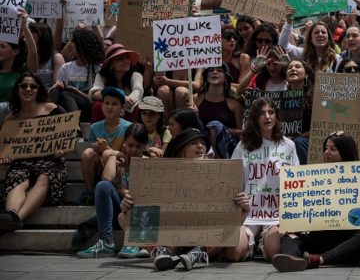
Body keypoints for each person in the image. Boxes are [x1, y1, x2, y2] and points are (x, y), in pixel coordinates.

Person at [118, 128, 250, 271]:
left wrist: (243, 208)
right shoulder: (162, 176)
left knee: (235, 223)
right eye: (194, 143)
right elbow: (145, 212)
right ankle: (161, 251)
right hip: (173, 240)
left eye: (203, 143)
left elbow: (233, 217)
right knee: (122, 217)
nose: (200, 146)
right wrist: (128, 206)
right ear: (181, 150)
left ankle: (199, 253)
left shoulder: (220, 175)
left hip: (207, 240)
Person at [271, 131, 360, 272]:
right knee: (289, 235)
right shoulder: (315, 178)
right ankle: (291, 259)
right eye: (326, 148)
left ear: (344, 151)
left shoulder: (358, 177)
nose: (327, 152)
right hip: (318, 238)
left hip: (346, 243)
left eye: (333, 149)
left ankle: (321, 259)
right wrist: (292, 221)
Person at [228, 98, 299, 263]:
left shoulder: (288, 145)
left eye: (271, 112)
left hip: (275, 214)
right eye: (262, 113)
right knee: (233, 253)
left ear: (276, 116)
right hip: (248, 214)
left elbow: (296, 182)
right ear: (254, 118)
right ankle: (249, 245)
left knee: (276, 252)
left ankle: (263, 244)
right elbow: (232, 181)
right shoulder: (243, 146)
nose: (267, 117)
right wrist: (239, 203)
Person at [0, 73, 67, 231]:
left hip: (51, 161)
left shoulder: (52, 109)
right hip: (22, 163)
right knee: (17, 178)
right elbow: (3, 148)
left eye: (33, 86)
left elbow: (72, 132)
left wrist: (62, 149)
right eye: (23, 86)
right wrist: (5, 157)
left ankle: (15, 219)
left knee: (45, 177)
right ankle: (11, 214)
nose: (28, 89)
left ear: (39, 90)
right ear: (17, 90)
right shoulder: (10, 120)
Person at [76, 124, 149, 258]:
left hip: (140, 212)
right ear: (124, 144)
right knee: (103, 186)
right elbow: (106, 178)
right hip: (119, 208)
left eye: (138, 146)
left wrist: (131, 194)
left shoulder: (149, 163)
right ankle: (106, 243)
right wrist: (115, 154)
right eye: (130, 145)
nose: (133, 149)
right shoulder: (118, 161)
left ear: (144, 146)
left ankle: (134, 242)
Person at [78, 87, 133, 205]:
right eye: (106, 103)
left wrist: (107, 149)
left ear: (122, 108)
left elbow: (130, 155)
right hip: (100, 168)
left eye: (114, 104)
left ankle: (115, 193)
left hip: (121, 168)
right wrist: (97, 148)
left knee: (108, 154)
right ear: (102, 106)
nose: (109, 107)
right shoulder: (94, 127)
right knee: (87, 153)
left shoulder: (129, 127)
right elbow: (92, 151)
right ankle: (90, 193)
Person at [49, 27, 103, 122]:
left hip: (88, 107)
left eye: (74, 41)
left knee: (67, 94)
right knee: (57, 91)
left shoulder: (97, 68)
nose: (70, 45)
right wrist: (57, 86)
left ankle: (73, 126)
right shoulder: (66, 67)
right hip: (67, 106)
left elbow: (97, 99)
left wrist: (77, 92)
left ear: (83, 45)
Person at [194, 65, 243, 159]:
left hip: (228, 146)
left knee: (215, 125)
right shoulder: (196, 99)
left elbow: (242, 132)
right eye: (211, 70)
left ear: (226, 78)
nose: (214, 72)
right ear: (206, 77)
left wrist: (220, 130)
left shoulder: (234, 103)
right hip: (203, 143)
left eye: (219, 70)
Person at [89, 43, 143, 122]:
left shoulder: (136, 75)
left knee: (135, 107)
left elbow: (138, 92)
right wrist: (119, 99)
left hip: (127, 111)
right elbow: (95, 93)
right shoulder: (102, 76)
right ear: (111, 63)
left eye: (127, 58)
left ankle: (130, 133)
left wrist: (122, 105)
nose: (125, 61)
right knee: (98, 105)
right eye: (120, 58)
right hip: (108, 111)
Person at [279, 8, 341, 73]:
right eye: (316, 32)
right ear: (310, 39)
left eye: (323, 32)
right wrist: (288, 22)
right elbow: (283, 45)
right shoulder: (302, 54)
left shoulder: (336, 59)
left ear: (328, 38)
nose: (320, 35)